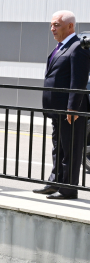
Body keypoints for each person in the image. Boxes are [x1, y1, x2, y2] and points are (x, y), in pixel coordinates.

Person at [33, 11, 89, 200]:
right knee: (58, 147)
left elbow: (78, 80)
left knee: (70, 149)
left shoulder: (78, 47)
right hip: (57, 108)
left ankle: (68, 189)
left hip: (70, 109)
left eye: (56, 25)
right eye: (51, 25)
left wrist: (72, 108)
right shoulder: (61, 47)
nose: (52, 28)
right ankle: (55, 182)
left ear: (70, 26)